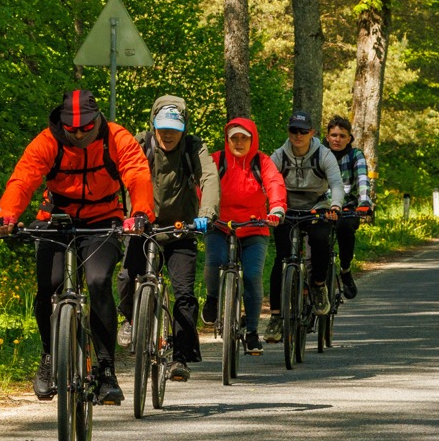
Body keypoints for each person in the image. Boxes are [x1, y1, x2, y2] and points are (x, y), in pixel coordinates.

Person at [0, 89, 154, 404]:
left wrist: (140, 212)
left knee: (97, 281)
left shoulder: (116, 138)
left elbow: (137, 175)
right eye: (72, 128)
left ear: (96, 120)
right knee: (48, 285)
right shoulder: (48, 141)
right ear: (62, 123)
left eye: (85, 127)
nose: (78, 133)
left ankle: (106, 370)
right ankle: (50, 355)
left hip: (103, 219)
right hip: (56, 218)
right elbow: (23, 179)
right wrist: (7, 215)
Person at [116, 96, 219, 382]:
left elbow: (209, 177)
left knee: (184, 294)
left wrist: (206, 213)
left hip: (180, 228)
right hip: (141, 226)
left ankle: (180, 358)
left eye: (174, 128)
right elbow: (115, 174)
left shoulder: (194, 147)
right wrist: (115, 213)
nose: (168, 134)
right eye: (163, 129)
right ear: (154, 125)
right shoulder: (139, 144)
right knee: (126, 278)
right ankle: (131, 318)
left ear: (184, 127)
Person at [203, 118, 287, 355]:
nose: (239, 142)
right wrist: (202, 211)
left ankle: (251, 333)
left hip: (254, 227)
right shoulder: (217, 160)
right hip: (220, 225)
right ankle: (212, 298)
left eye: (244, 138)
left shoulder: (263, 162)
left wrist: (277, 209)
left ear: (252, 139)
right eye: (234, 138)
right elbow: (203, 185)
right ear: (227, 140)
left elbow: (275, 184)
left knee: (251, 276)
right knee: (212, 263)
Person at [265, 111, 343, 343]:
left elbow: (337, 183)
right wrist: (266, 207)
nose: (297, 136)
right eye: (293, 131)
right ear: (288, 132)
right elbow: (266, 182)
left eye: (302, 131)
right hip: (286, 208)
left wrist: (336, 206)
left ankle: (318, 286)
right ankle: (276, 318)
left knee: (320, 240)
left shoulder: (324, 155)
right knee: (281, 259)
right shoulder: (279, 156)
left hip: (316, 207)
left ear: (312, 133)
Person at [325, 116, 372, 299]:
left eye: (342, 136)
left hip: (347, 207)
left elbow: (362, 179)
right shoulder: (319, 153)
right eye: (334, 135)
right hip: (322, 206)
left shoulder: (355, 155)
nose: (337, 139)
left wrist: (364, 202)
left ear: (349, 138)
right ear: (327, 137)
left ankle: (345, 269)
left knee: (345, 227)